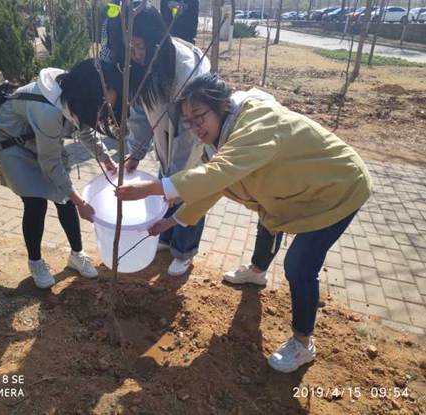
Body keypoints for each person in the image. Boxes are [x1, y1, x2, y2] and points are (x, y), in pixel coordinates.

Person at [116, 73, 372, 373]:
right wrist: (171, 221)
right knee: (269, 222)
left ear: (221, 106)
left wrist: (152, 189)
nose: (196, 127)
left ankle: (303, 343)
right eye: (189, 121)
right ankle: (257, 272)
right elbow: (216, 186)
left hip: (337, 188)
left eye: (200, 116)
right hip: (294, 191)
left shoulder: (257, 122)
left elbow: (217, 174)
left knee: (299, 266)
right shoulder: (220, 141)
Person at [0, 59, 122, 289]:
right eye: (103, 104)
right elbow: (50, 163)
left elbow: (84, 129)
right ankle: (35, 262)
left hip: (40, 139)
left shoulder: (77, 96)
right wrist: (81, 202)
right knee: (36, 202)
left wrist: (106, 159)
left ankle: (76, 255)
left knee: (63, 198)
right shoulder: (50, 110)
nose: (105, 111)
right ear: (90, 94)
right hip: (11, 142)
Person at [107, 2, 210, 276]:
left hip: (193, 147)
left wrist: (174, 183)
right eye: (130, 47)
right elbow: (142, 111)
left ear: (155, 42)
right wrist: (136, 153)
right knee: (166, 189)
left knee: (188, 195)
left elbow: (189, 137)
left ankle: (184, 251)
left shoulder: (185, 75)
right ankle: (167, 237)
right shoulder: (144, 65)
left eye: (140, 47)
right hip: (168, 143)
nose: (135, 54)